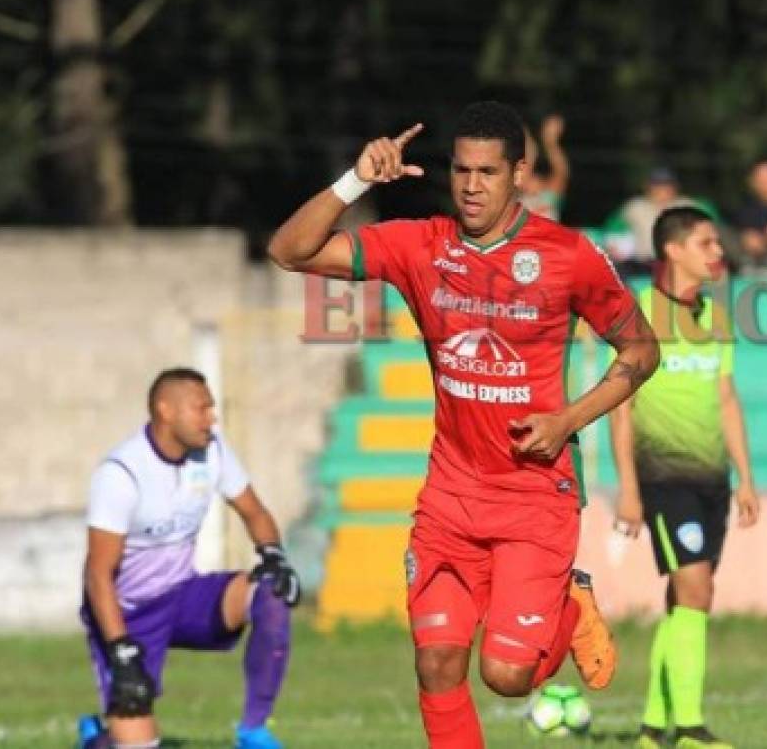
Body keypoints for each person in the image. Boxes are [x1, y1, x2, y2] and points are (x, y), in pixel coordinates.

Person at [267, 100, 660, 749]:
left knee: (506, 675)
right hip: (450, 498)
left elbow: (642, 352)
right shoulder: (420, 246)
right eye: (461, 171)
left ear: (519, 175)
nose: (472, 186)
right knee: (435, 662)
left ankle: (569, 601)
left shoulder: (567, 256)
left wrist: (567, 419)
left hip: (534, 497)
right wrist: (355, 180)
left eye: (488, 172)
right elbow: (289, 251)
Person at [77, 368, 299, 749]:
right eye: (202, 408)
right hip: (128, 615)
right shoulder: (121, 473)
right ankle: (98, 738)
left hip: (183, 596)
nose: (212, 417)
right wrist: (121, 647)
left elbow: (255, 512)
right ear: (166, 410)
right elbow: (98, 575)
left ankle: (253, 731)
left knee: (270, 592)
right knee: (138, 746)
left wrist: (274, 555)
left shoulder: (212, 450)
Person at [609, 206, 761, 749]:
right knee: (696, 586)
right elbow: (620, 407)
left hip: (711, 480)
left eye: (717, 243)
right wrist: (627, 489)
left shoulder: (716, 317)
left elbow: (725, 397)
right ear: (673, 251)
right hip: (662, 476)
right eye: (706, 243)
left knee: (684, 597)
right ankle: (692, 729)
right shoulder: (639, 314)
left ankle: (653, 728)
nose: (717, 253)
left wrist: (745, 476)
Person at [605, 167, 713, 279]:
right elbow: (612, 230)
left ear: (675, 187)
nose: (662, 190)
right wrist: (614, 246)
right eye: (657, 186)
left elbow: (711, 227)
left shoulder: (689, 206)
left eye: (666, 185)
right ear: (648, 187)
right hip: (643, 265)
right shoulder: (634, 208)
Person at [521, 113, 571, 220]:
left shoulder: (548, 197)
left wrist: (550, 141)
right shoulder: (518, 197)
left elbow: (561, 172)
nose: (534, 180)